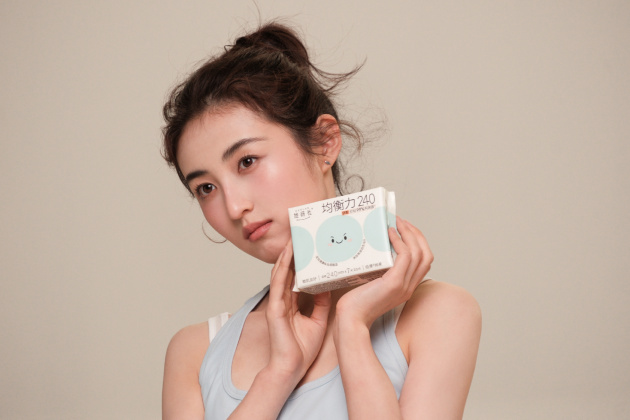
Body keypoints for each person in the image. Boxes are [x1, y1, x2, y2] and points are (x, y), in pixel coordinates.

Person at [161, 21, 481, 420]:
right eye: (206, 188)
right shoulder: (195, 351)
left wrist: (352, 327)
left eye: (247, 161)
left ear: (325, 143)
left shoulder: (439, 314)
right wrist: (279, 373)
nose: (234, 207)